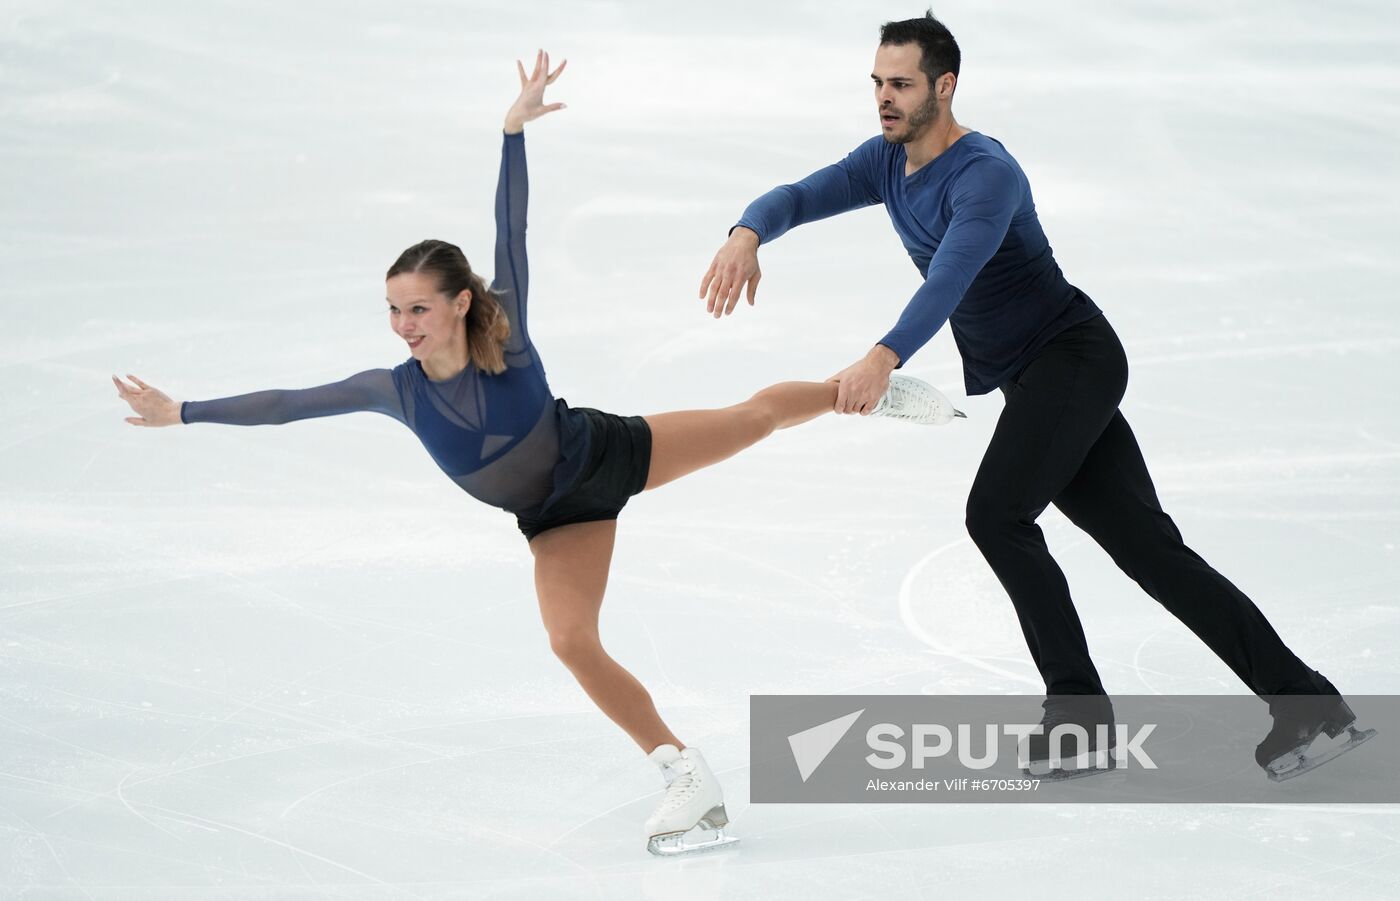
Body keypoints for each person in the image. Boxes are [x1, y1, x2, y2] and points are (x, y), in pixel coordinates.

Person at [112, 51, 956, 854]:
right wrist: (182, 411)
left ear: (459, 302)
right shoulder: (394, 389)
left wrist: (512, 133)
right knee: (571, 639)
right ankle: (685, 774)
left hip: (605, 454)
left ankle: (863, 391)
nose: (404, 325)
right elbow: (289, 405)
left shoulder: (505, 335)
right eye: (394, 310)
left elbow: (509, 227)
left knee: (752, 418)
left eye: (418, 308)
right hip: (552, 518)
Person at [697, 13, 1373, 781]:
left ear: (944, 87)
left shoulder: (985, 175)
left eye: (902, 84)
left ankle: (1079, 715)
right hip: (1037, 377)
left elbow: (951, 276)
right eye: (878, 83)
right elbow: (797, 195)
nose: (884, 98)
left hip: (1072, 358)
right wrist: (747, 232)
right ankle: (1307, 702)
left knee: (996, 514)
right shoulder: (885, 161)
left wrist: (883, 357)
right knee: (1149, 550)